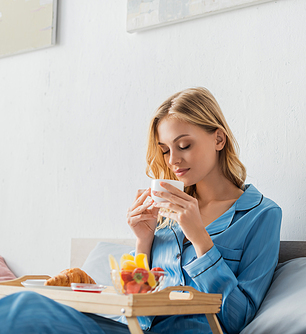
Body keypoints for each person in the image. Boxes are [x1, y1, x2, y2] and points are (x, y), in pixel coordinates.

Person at [0, 87, 282, 334]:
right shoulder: (166, 212)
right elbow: (138, 301)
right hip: (127, 326)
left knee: (23, 309)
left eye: (184, 145)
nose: (173, 160)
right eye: (165, 150)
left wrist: (200, 240)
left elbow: (237, 319)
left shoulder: (261, 215)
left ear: (219, 139)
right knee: (17, 303)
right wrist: (143, 241)